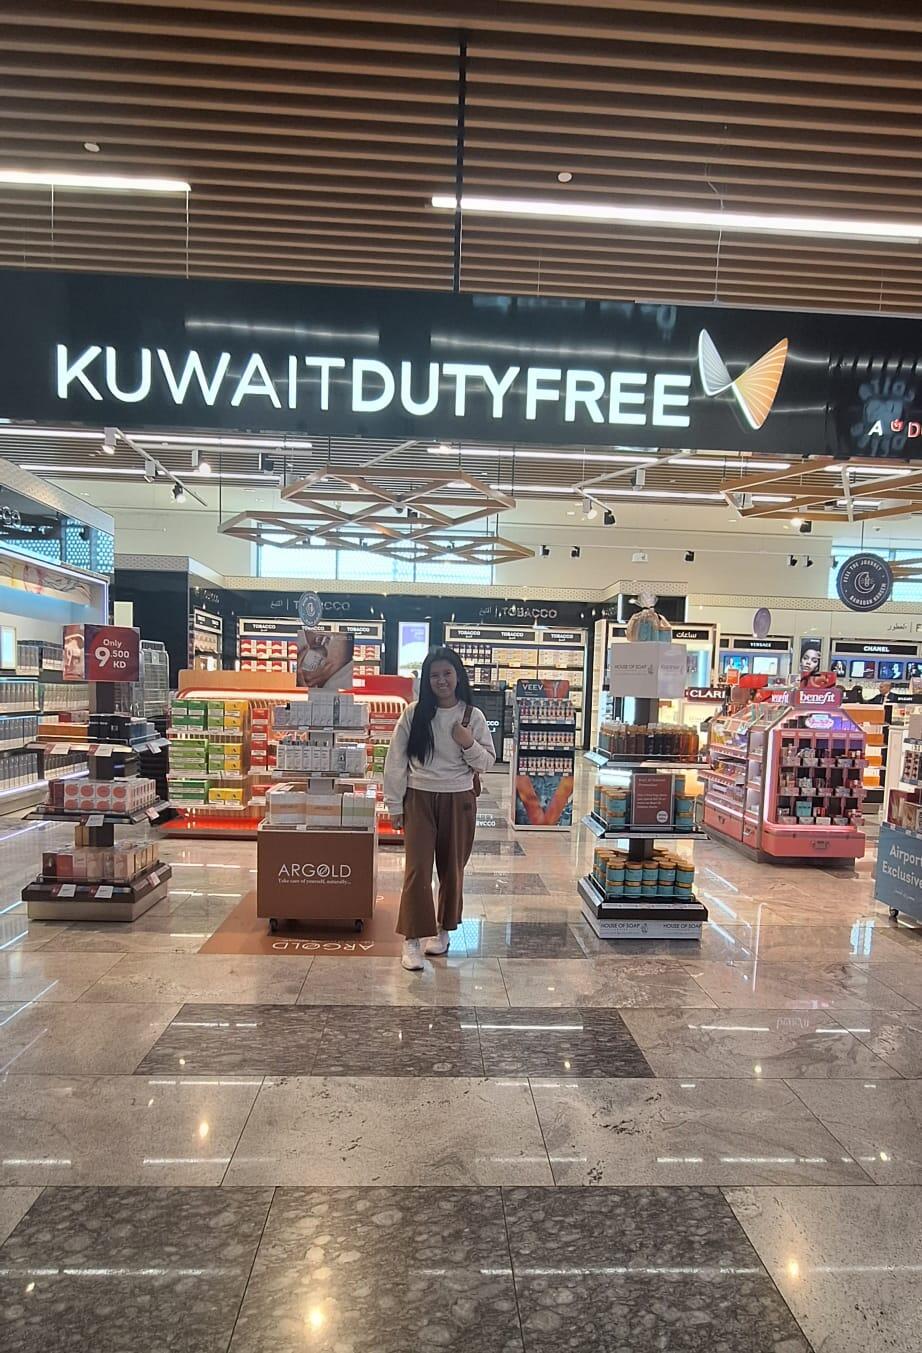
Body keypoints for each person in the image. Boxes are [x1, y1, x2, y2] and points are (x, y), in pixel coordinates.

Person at [383, 646, 496, 971]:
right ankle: (411, 940)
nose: (441, 680)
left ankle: (443, 930)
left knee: (452, 869)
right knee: (417, 870)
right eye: (434, 675)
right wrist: (395, 804)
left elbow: (487, 762)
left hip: (459, 799)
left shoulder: (472, 716)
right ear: (427, 680)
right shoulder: (414, 714)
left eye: (447, 673)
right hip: (419, 797)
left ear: (458, 676)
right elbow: (395, 760)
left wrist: (467, 742)